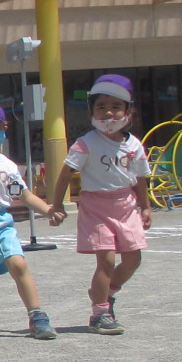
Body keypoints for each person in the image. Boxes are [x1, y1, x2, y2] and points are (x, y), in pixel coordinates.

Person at [48, 74, 151, 335]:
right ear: (91, 112)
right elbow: (65, 174)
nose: (109, 113)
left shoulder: (134, 145)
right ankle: (100, 313)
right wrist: (57, 204)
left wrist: (145, 206)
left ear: (129, 111)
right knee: (105, 259)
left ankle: (106, 292)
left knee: (133, 259)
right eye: (101, 107)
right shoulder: (86, 143)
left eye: (116, 106)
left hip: (126, 205)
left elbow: (140, 178)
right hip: (96, 207)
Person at [0, 102, 60, 340]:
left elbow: (22, 194)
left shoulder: (7, 166)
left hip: (0, 224)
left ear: (6, 128)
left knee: (18, 264)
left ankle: (37, 315)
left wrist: (48, 210)